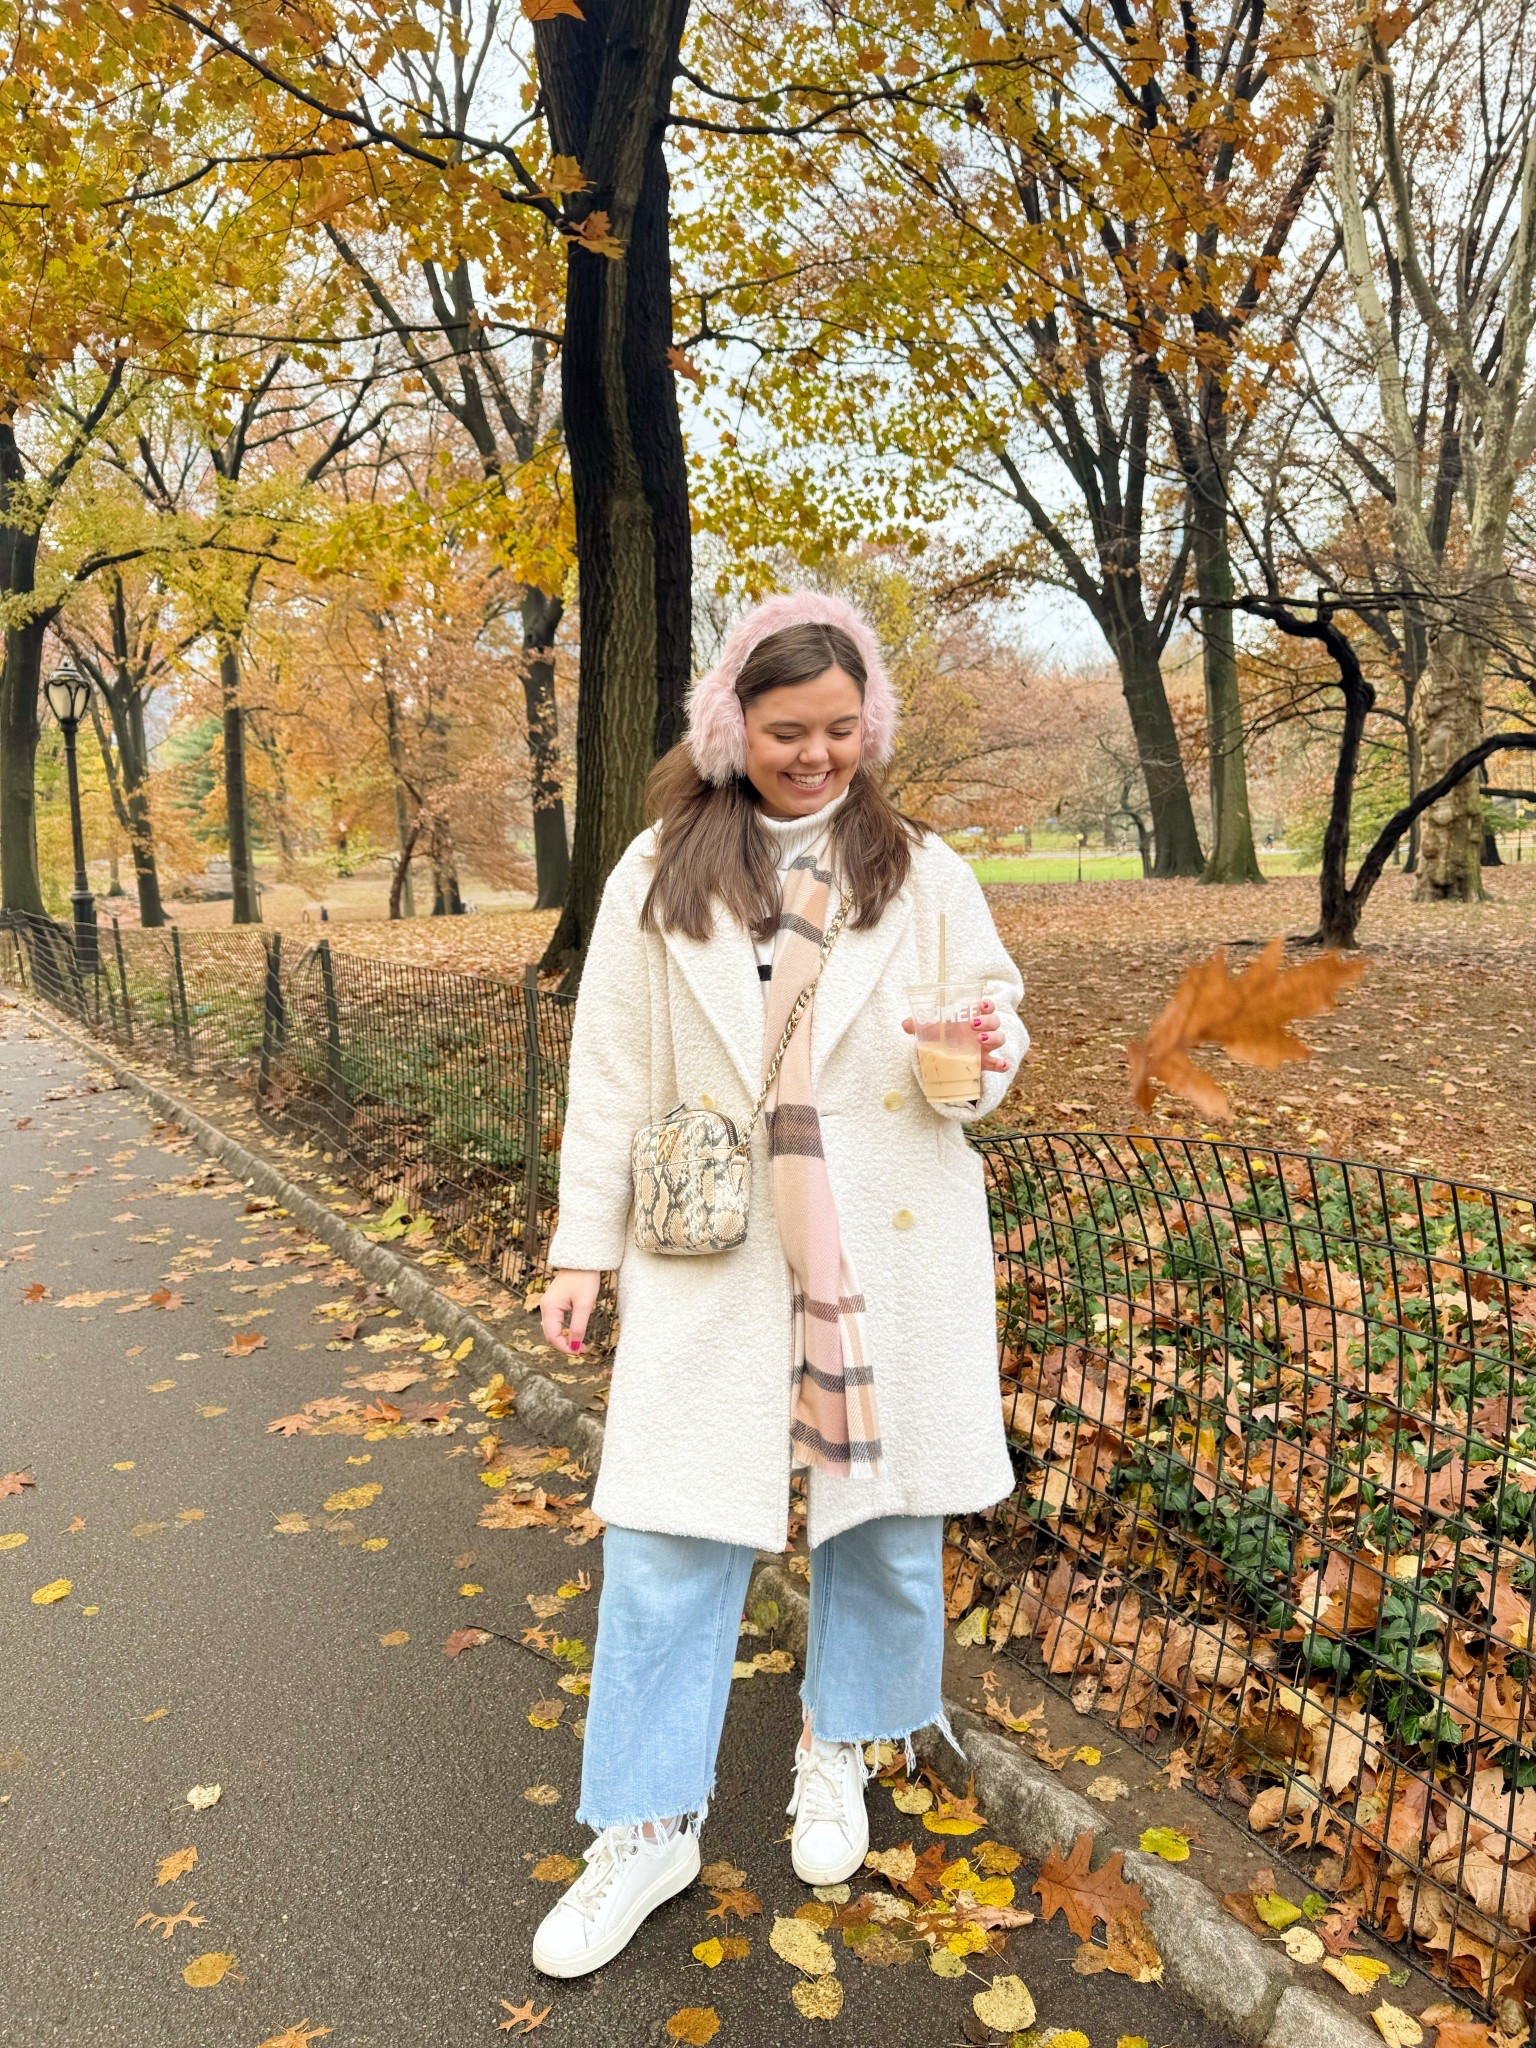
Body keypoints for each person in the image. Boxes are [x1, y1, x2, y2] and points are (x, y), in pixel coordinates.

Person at [530, 590, 1028, 1978]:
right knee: (667, 1532)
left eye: (840, 727)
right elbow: (611, 1070)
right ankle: (643, 1825)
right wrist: (584, 1246)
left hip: (892, 1238)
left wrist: (979, 1054)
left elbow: (995, 1015)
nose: (816, 755)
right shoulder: (655, 870)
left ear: (871, 724)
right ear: (728, 727)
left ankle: (840, 1744)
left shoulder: (920, 870)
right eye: (785, 729)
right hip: (714, 1243)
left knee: (883, 1523)